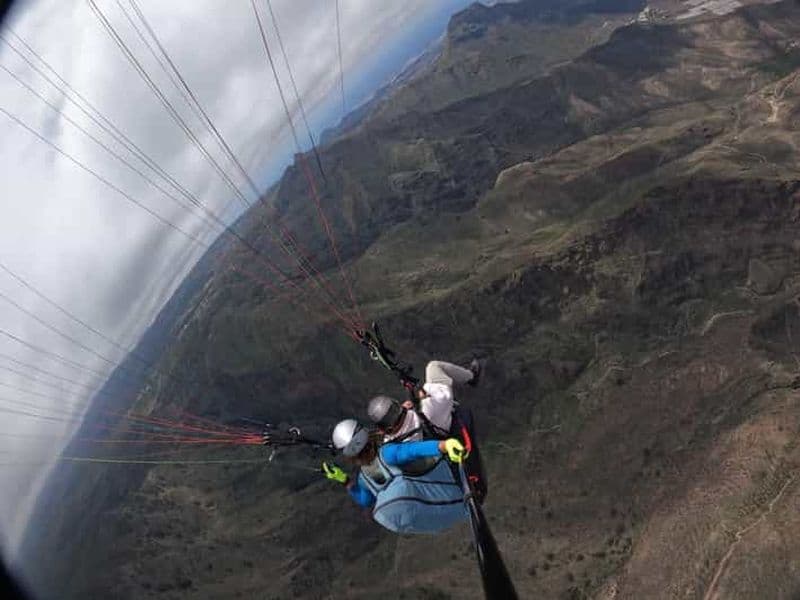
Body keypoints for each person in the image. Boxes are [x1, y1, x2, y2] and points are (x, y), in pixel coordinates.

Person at [366, 358, 488, 502]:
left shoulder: (392, 447)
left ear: (384, 429)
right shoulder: (430, 407)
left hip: (435, 470)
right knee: (433, 366)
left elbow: (410, 449)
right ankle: (471, 377)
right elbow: (444, 395)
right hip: (447, 431)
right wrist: (423, 397)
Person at [322, 418, 469, 534]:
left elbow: (366, 500)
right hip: (450, 497)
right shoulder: (387, 453)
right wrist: (444, 445)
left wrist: (346, 482)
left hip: (435, 521)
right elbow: (414, 450)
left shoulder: (364, 478)